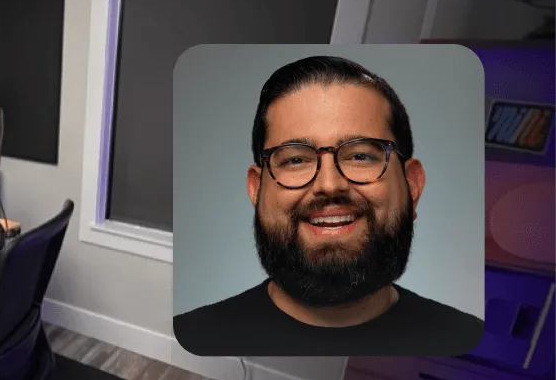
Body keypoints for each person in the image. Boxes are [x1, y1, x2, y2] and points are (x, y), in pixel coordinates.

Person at [174, 55, 484, 356]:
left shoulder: (467, 344)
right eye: (295, 159)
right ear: (256, 191)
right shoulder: (192, 339)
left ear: (412, 186)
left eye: (361, 155)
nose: (329, 185)